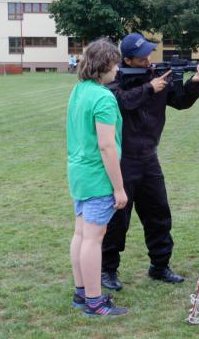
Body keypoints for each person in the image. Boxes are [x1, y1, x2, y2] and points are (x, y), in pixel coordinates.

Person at [100, 33, 199, 290]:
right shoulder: (115, 79)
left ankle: (160, 266)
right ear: (127, 59)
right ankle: (107, 270)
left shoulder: (160, 74)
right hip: (122, 160)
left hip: (149, 157)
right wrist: (150, 88)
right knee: (118, 219)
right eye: (143, 57)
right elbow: (120, 102)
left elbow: (181, 102)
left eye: (150, 53)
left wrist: (195, 82)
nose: (149, 59)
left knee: (158, 214)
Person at [67, 38, 128, 316]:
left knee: (81, 234)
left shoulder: (79, 90)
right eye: (114, 64)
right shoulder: (103, 97)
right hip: (96, 176)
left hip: (79, 174)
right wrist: (119, 188)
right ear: (104, 65)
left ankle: (82, 294)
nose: (117, 70)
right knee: (93, 238)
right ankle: (94, 301)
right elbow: (106, 146)